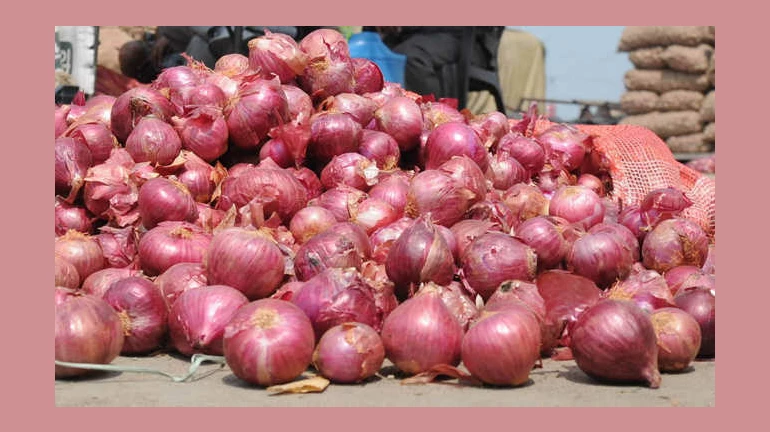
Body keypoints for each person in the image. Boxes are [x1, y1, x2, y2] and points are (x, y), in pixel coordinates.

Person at [365, 26, 504, 107]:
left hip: (461, 37)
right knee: (367, 57)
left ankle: (431, 125)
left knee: (410, 57)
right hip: (405, 37)